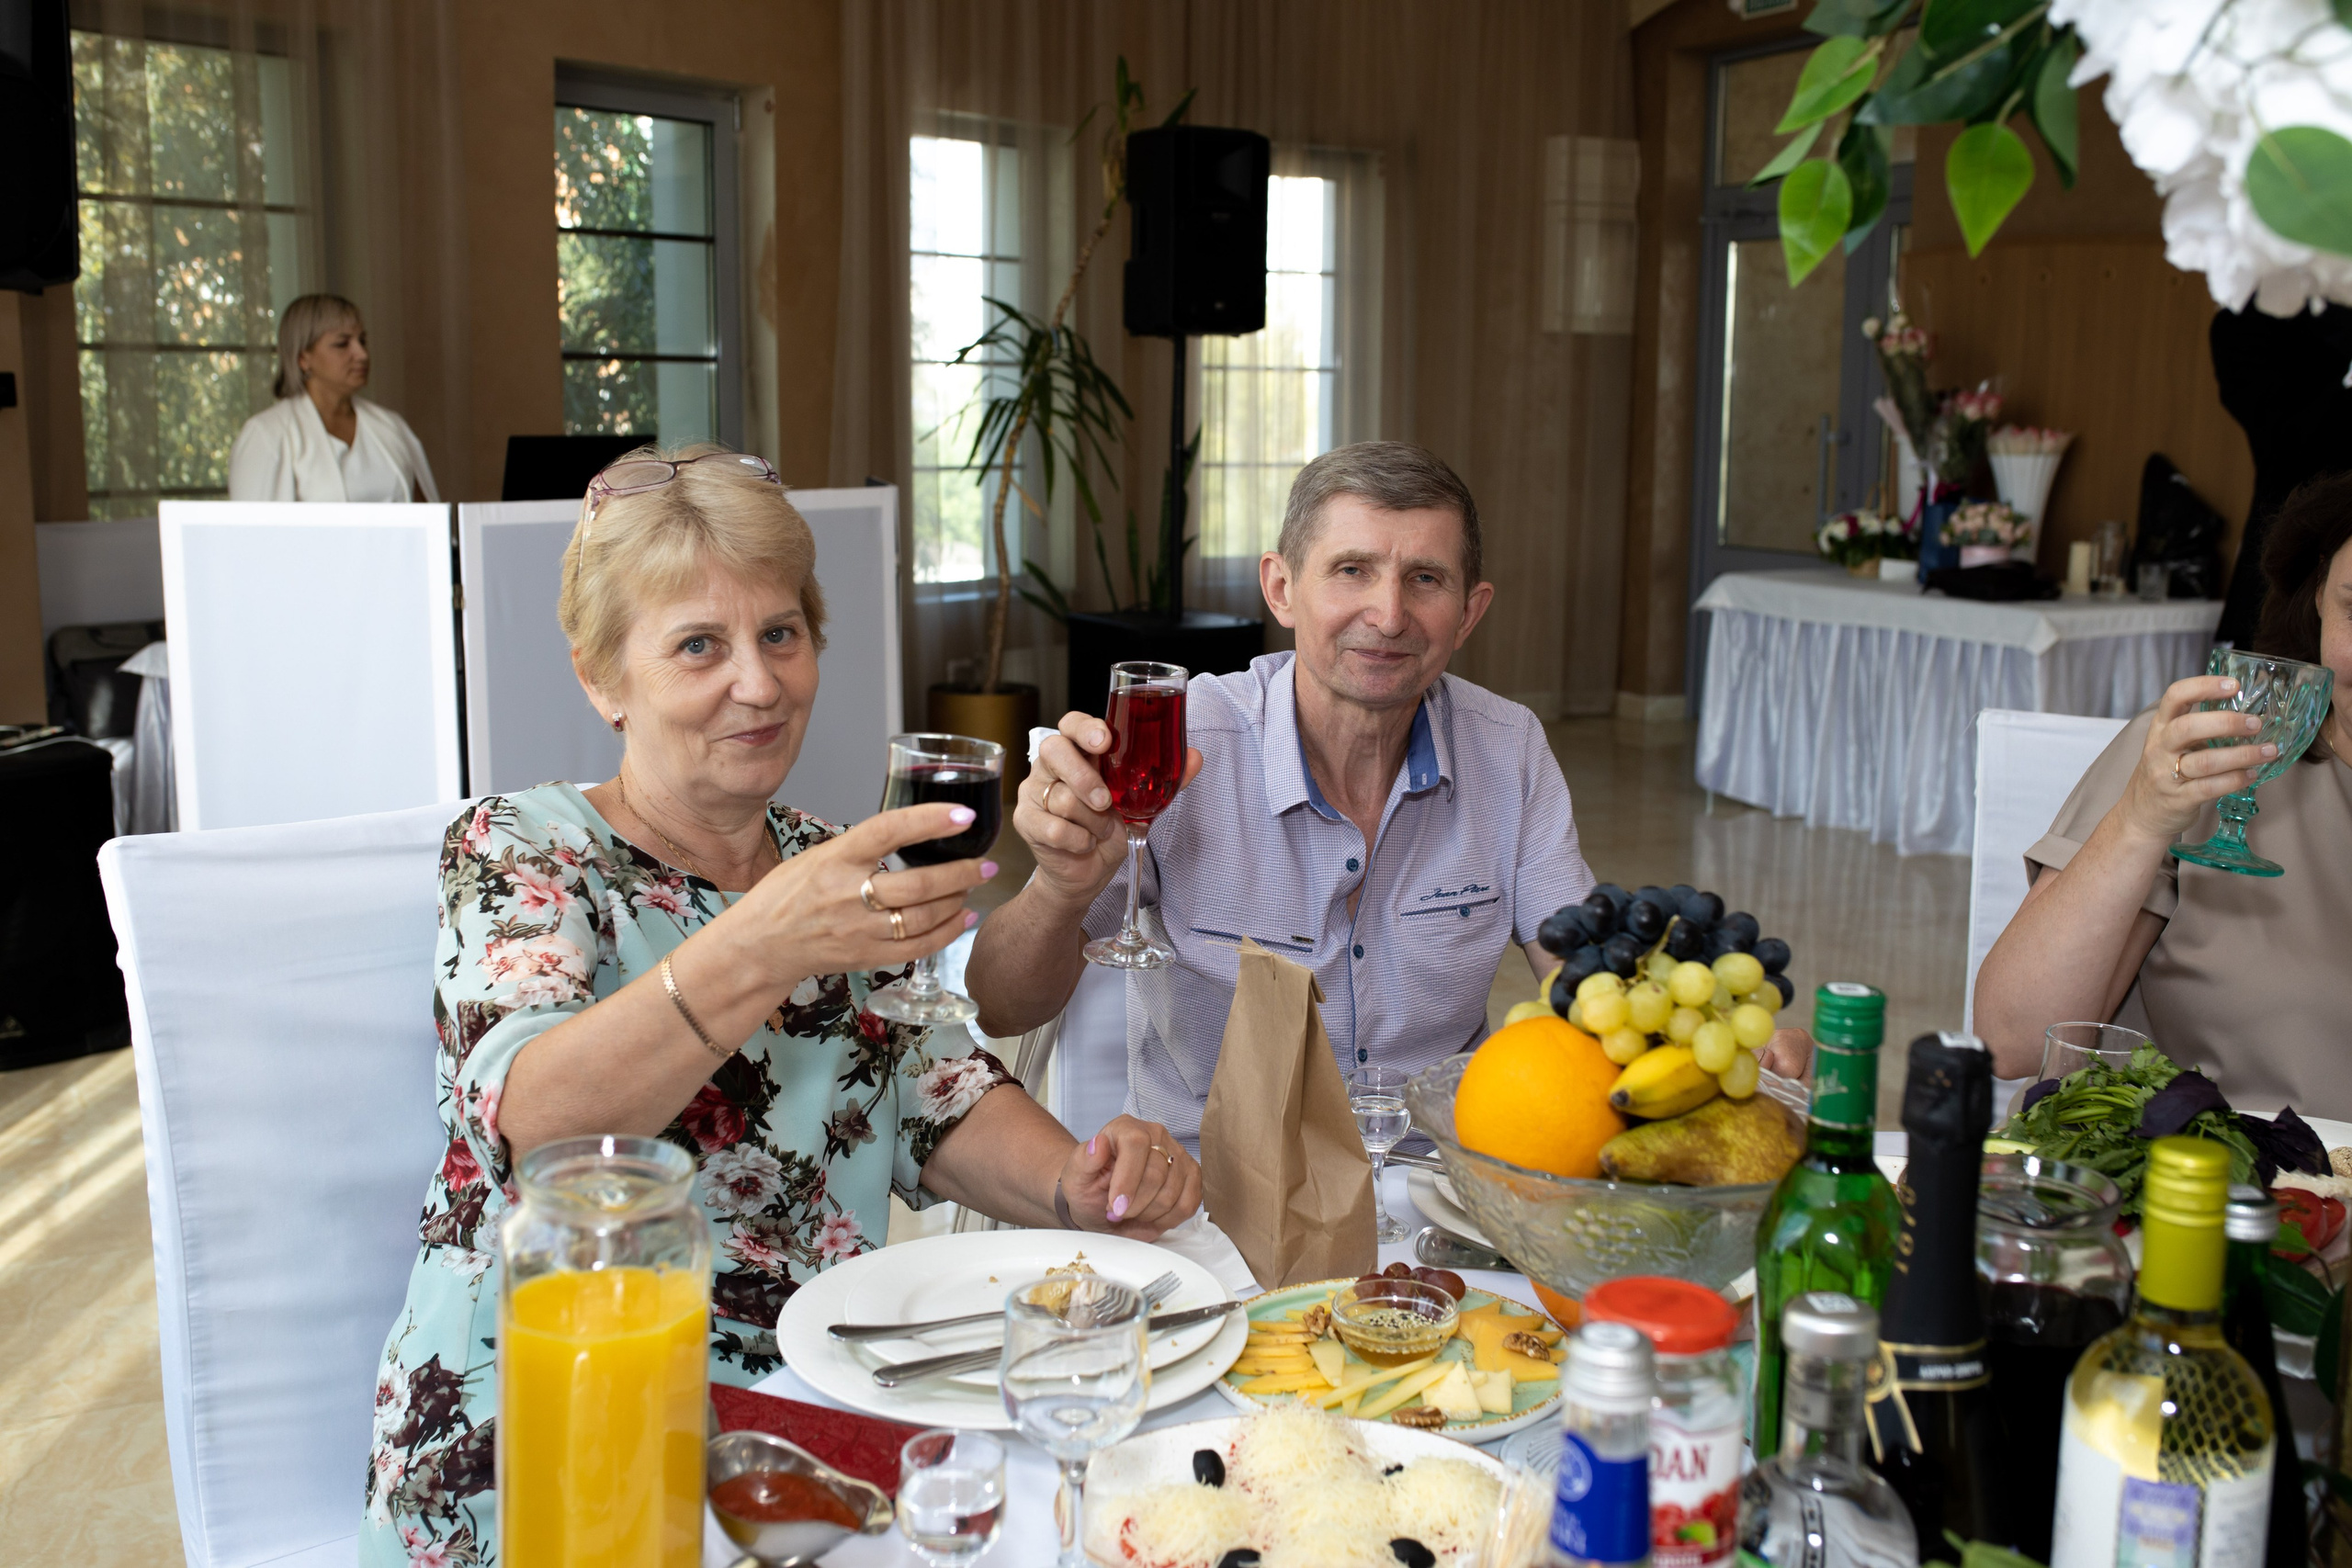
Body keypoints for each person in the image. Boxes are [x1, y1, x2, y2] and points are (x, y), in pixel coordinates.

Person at [359, 446, 1199, 1562]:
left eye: (780, 635)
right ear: (603, 678)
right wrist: (761, 938)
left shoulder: (822, 857)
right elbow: (533, 1127)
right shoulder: (522, 848)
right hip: (548, 1430)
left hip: (806, 1430)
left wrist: (1079, 1184)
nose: (757, 683)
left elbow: (940, 1098)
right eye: (698, 645)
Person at [968, 441, 1812, 1155]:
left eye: (1426, 579)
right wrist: (1061, 886)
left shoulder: (1508, 748)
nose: (1389, 612)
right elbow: (1001, 1006)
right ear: (1280, 587)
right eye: (1351, 569)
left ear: (1470, 611)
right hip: (1209, 1194)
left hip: (1438, 1188)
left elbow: (1584, 980)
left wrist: (1714, 1045)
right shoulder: (1179, 746)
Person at [1975, 470, 2352, 1112]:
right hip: (2187, 1193)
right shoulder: (2198, 757)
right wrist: (2141, 819)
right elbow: (2012, 1040)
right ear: (2318, 594)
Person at [228, 293, 439, 503]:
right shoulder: (268, 434)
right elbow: (255, 534)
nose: (362, 354)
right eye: (342, 343)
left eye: (362, 341)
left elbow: (429, 521)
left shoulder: (391, 426)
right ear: (303, 358)